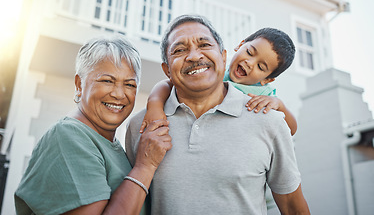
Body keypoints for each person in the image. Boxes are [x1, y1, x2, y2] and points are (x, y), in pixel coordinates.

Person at [126, 14, 310, 214]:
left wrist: (280, 106)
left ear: (222, 56)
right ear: (167, 69)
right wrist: (154, 105)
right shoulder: (140, 126)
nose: (195, 56)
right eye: (179, 50)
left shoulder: (269, 117)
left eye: (204, 45)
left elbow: (293, 206)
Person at [14, 34, 172, 215]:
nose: (119, 94)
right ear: (79, 84)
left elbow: (173, 81)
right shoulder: (68, 136)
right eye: (107, 81)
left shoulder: (110, 145)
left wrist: (155, 102)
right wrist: (145, 166)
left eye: (129, 84)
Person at [140, 27, 297, 136]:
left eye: (260, 67)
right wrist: (154, 105)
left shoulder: (265, 95)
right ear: (240, 45)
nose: (250, 63)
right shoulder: (216, 71)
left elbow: (291, 129)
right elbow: (167, 83)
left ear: (267, 79)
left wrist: (280, 105)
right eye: (249, 52)